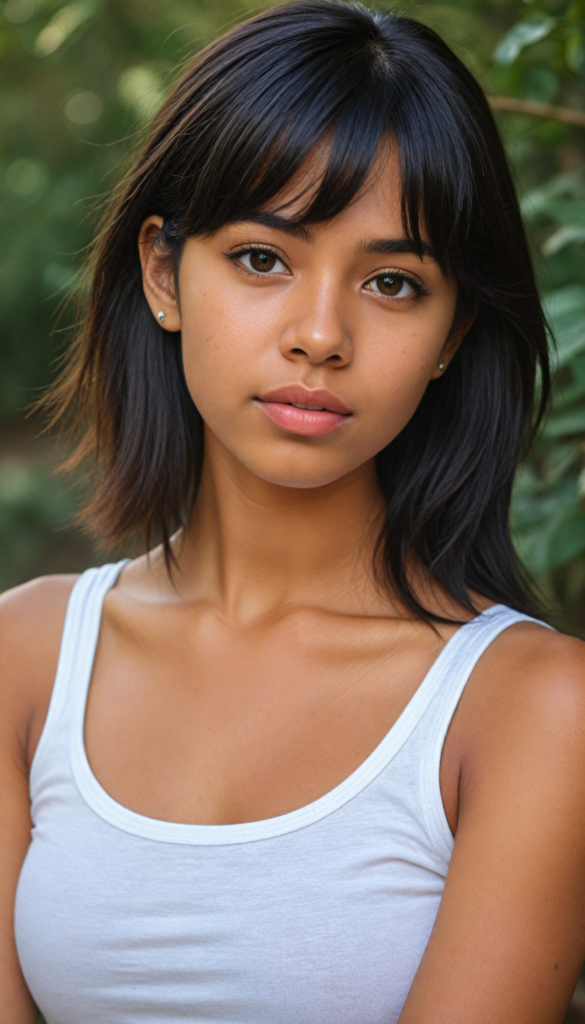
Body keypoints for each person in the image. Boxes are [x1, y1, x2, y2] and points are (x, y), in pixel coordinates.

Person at [2, 1, 585, 1021]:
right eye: (263, 258)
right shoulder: (24, 659)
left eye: (393, 282)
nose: (320, 335)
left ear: (452, 335)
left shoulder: (533, 710)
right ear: (163, 271)